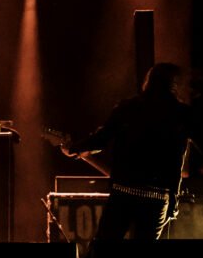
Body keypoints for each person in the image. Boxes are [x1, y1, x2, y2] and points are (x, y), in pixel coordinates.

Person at [61, 63, 193, 240]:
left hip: (123, 192)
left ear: (149, 81)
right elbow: (179, 160)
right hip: (158, 196)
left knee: (104, 248)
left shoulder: (128, 107)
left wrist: (73, 148)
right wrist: (173, 198)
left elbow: (102, 139)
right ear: (175, 85)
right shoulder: (182, 114)